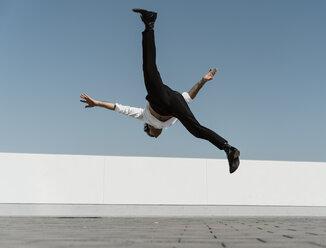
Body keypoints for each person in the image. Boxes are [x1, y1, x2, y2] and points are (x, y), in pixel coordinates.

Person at [80, 9, 240, 173]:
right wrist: (202, 82)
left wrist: (97, 103)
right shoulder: (170, 124)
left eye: (150, 134)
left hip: (159, 98)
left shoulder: (143, 116)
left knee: (149, 69)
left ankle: (150, 24)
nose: (155, 135)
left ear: (148, 127)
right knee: (196, 130)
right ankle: (229, 149)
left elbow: (118, 108)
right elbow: (188, 97)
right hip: (175, 103)